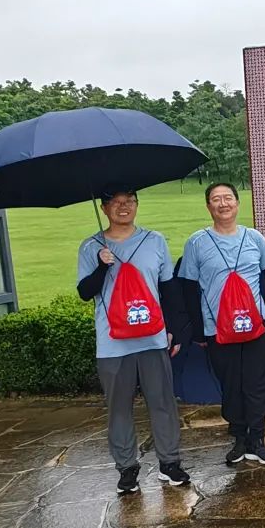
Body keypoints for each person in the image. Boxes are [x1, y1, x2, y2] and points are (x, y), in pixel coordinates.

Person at [76, 187, 190, 494]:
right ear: (104, 208)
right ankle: (126, 467)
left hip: (152, 338)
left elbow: (169, 288)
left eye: (129, 201)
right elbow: (85, 292)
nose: (123, 207)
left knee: (162, 402)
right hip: (112, 343)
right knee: (119, 408)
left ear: (137, 205)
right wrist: (102, 266)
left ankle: (170, 462)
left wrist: (175, 329)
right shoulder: (91, 246)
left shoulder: (155, 241)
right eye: (115, 202)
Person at [179, 182, 265, 466]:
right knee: (231, 383)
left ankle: (257, 439)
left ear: (237, 203)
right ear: (208, 206)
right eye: (216, 199)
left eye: (228, 198)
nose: (223, 204)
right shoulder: (197, 243)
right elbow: (188, 288)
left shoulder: (254, 238)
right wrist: (199, 330)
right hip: (217, 329)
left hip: (255, 327)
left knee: (257, 383)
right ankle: (239, 439)